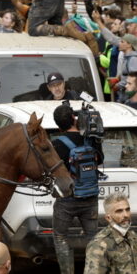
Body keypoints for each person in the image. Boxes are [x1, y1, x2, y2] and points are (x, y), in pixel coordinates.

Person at [51, 103, 103, 274]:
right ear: (74, 118)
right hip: (90, 196)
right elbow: (100, 159)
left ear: (58, 126)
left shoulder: (57, 144)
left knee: (60, 236)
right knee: (93, 238)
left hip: (67, 199)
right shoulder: (91, 137)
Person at [84, 192, 136, 274]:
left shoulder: (133, 237)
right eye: (119, 211)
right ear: (108, 218)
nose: (126, 215)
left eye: (127, 209)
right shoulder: (99, 244)